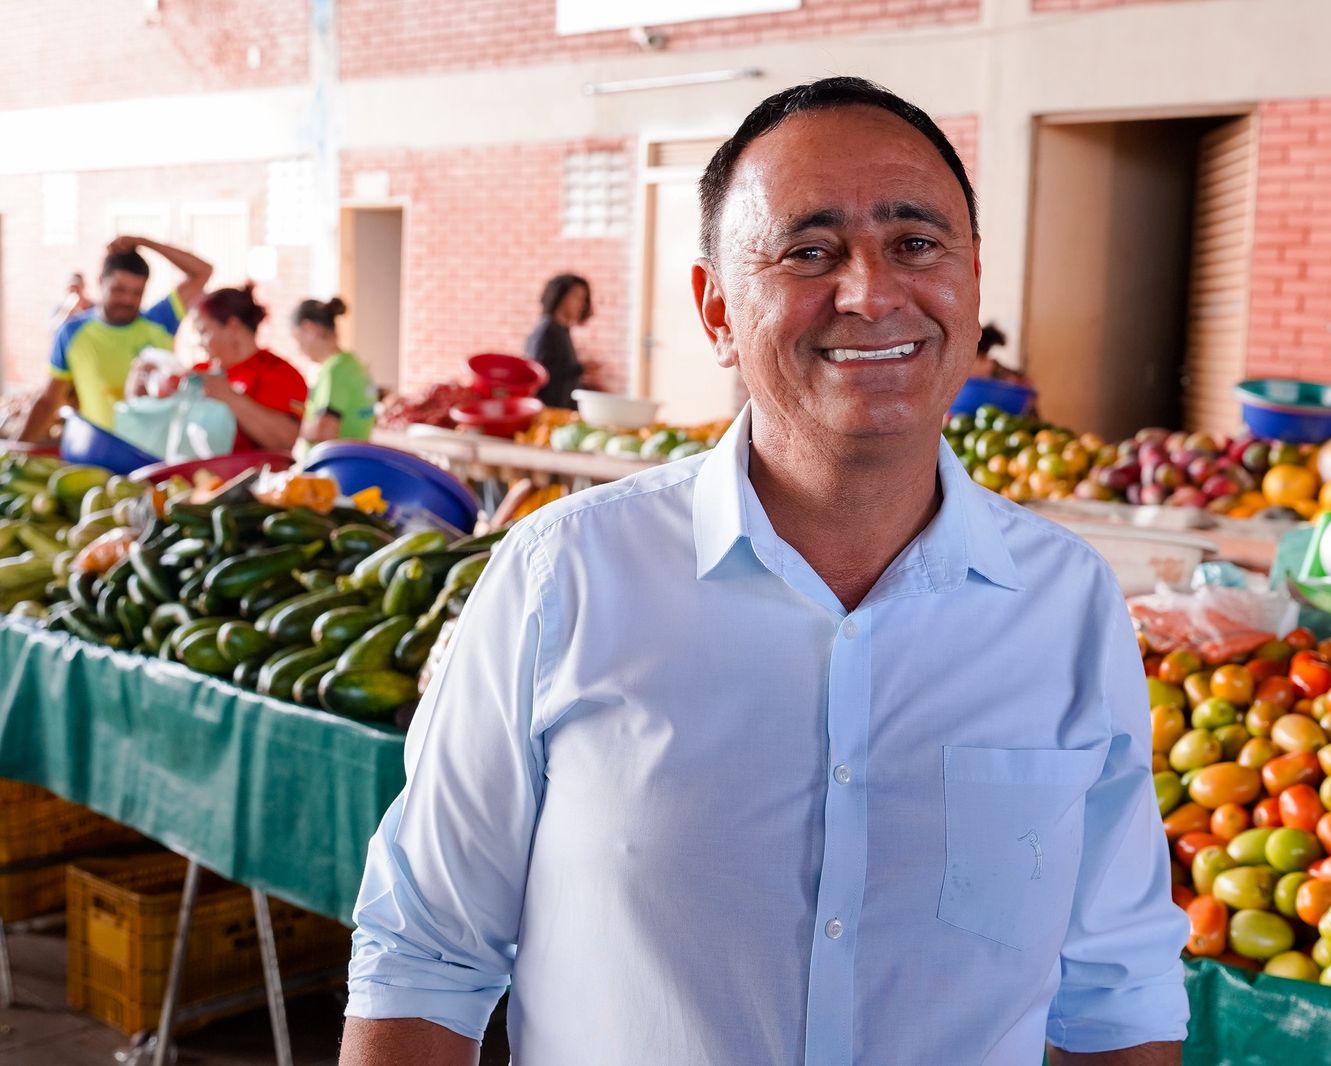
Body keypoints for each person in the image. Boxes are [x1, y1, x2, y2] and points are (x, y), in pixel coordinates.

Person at [342, 77, 1186, 1066]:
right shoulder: (563, 577)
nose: (872, 293)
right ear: (715, 311)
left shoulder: (1065, 602)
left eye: (917, 244)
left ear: (972, 281)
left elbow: (1115, 987)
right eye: (809, 252)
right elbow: (425, 958)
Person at [19, 235, 212, 442]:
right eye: (119, 289)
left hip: (156, 452)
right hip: (100, 452)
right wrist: (16, 447)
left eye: (137, 292)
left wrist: (145, 242)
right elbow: (49, 401)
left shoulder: (160, 321)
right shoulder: (71, 333)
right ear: (101, 281)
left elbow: (203, 271)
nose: (128, 300)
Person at [193, 284, 306, 453]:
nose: (199, 343)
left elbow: (286, 441)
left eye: (204, 332)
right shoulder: (200, 372)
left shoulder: (281, 374)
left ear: (233, 326)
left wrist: (228, 396)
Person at [292, 296, 375, 449]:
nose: (299, 350)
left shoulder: (334, 370)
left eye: (298, 340)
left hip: (333, 461)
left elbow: (324, 430)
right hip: (352, 456)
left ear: (310, 329)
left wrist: (289, 427)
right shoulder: (354, 365)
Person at [522, 273, 591, 409]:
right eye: (576, 297)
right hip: (549, 410)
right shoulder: (546, 330)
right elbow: (540, 373)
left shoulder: (563, 330)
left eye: (583, 299)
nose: (581, 305)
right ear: (560, 296)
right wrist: (579, 369)